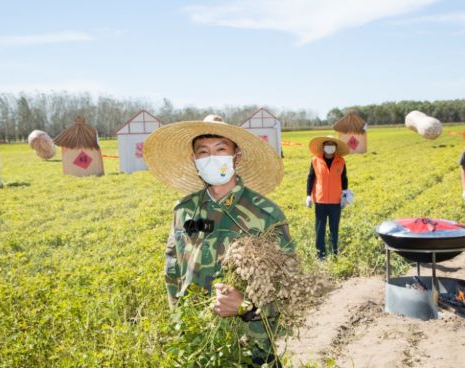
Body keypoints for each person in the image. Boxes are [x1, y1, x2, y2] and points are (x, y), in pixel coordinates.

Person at [143, 115, 293, 366]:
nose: (211, 158)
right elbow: (173, 274)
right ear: (194, 160)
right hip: (198, 343)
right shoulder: (183, 211)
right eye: (203, 152)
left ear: (237, 156)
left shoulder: (266, 215)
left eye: (220, 149)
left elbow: (289, 286)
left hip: (250, 348)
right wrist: (180, 324)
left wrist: (246, 306)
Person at [306, 136, 352, 259]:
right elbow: (311, 178)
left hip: (336, 200)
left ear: (336, 147)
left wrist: (345, 195)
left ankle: (333, 252)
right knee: (320, 228)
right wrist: (308, 196)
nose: (330, 147)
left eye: (332, 144)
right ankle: (320, 254)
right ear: (323, 146)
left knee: (334, 227)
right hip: (320, 200)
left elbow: (344, 179)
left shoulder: (341, 161)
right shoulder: (315, 160)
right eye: (328, 144)